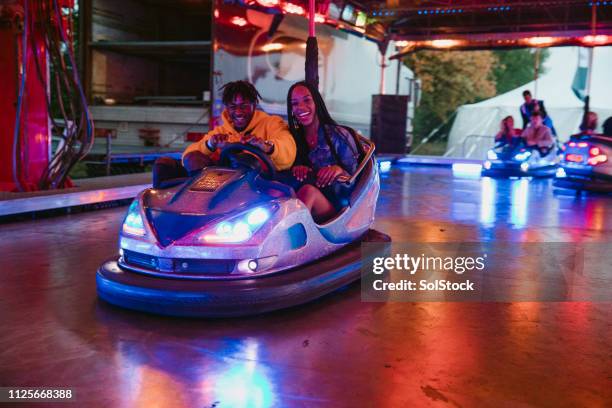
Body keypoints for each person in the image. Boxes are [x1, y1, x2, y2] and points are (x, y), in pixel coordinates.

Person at [153, 81, 296, 187]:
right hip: (223, 189)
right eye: (233, 107)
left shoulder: (271, 123)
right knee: (169, 164)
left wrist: (265, 146)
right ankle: (196, 202)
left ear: (254, 105)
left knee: (244, 160)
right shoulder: (222, 131)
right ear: (227, 108)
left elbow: (288, 150)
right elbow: (188, 155)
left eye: (244, 106)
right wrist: (211, 145)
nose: (238, 112)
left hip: (259, 187)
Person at [287, 81, 361, 223]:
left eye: (307, 100)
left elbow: (357, 180)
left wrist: (338, 170)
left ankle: (290, 240)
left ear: (317, 103)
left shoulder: (339, 135)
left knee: (308, 191)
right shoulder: (292, 138)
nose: (300, 107)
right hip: (300, 205)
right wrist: (297, 169)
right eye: (294, 103)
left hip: (337, 209)